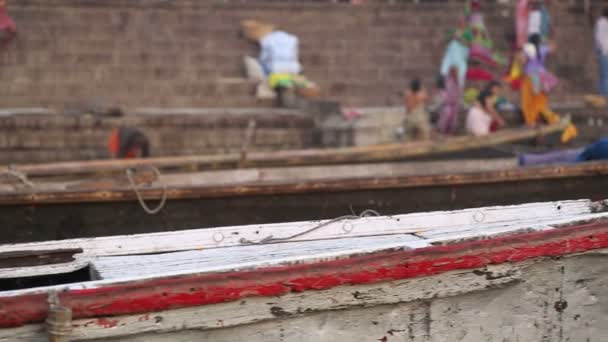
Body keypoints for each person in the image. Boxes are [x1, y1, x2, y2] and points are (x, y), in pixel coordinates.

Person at [519, 137, 608, 166]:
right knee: (562, 156)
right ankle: (527, 160)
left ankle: (527, 160)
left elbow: (588, 153)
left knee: (561, 157)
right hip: (585, 157)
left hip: (584, 158)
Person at [437, 67, 461, 134]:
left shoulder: (457, 81)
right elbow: (443, 93)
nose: (457, 73)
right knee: (445, 122)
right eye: (455, 72)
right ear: (452, 72)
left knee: (453, 125)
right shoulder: (448, 81)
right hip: (447, 106)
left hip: (454, 106)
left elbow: (458, 93)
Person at [596, 8, 608, 96]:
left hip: (604, 50)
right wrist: (603, 49)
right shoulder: (602, 22)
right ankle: (605, 93)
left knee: (603, 74)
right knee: (605, 74)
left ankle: (601, 92)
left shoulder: (603, 22)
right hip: (604, 51)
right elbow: (599, 38)